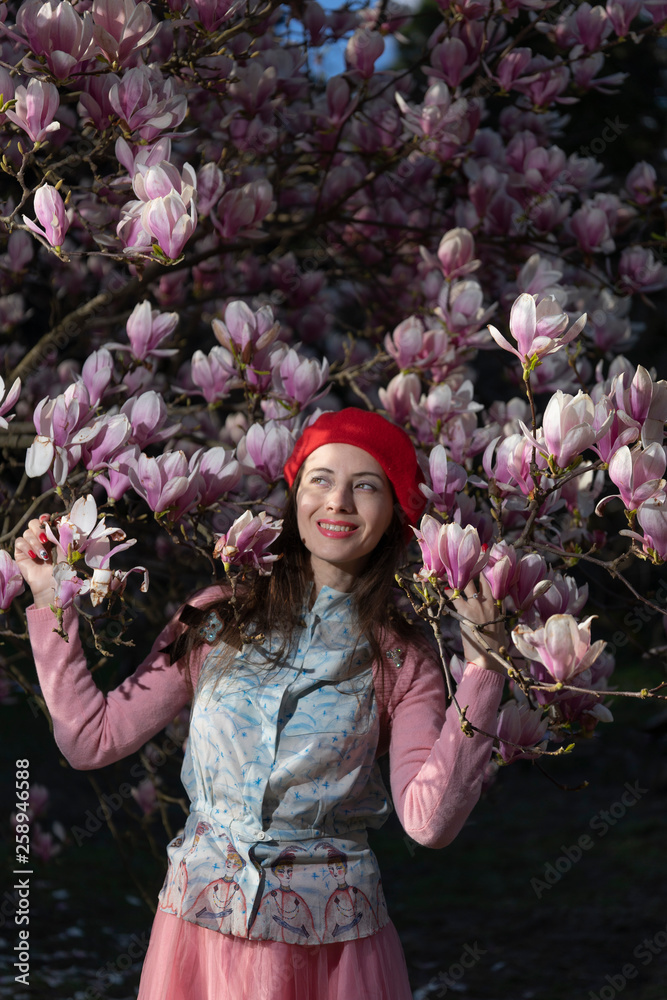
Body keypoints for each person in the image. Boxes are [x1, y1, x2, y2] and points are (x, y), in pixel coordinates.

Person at [16, 407, 506, 1000]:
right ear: (296, 491)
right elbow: (90, 738)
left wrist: (484, 668)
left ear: (398, 515)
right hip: (199, 945)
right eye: (321, 478)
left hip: (331, 956)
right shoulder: (219, 616)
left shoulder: (403, 660)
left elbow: (428, 823)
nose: (339, 502)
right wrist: (52, 603)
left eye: (366, 485)